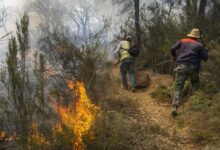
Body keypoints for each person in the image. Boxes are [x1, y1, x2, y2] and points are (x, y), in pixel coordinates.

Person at [170, 28, 208, 116]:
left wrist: (174, 57)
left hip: (181, 66)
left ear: (190, 35)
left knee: (178, 87)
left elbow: (172, 48)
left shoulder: (182, 40)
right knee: (195, 85)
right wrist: (206, 51)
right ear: (197, 37)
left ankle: (175, 107)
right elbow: (205, 58)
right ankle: (194, 106)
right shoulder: (199, 45)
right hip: (193, 68)